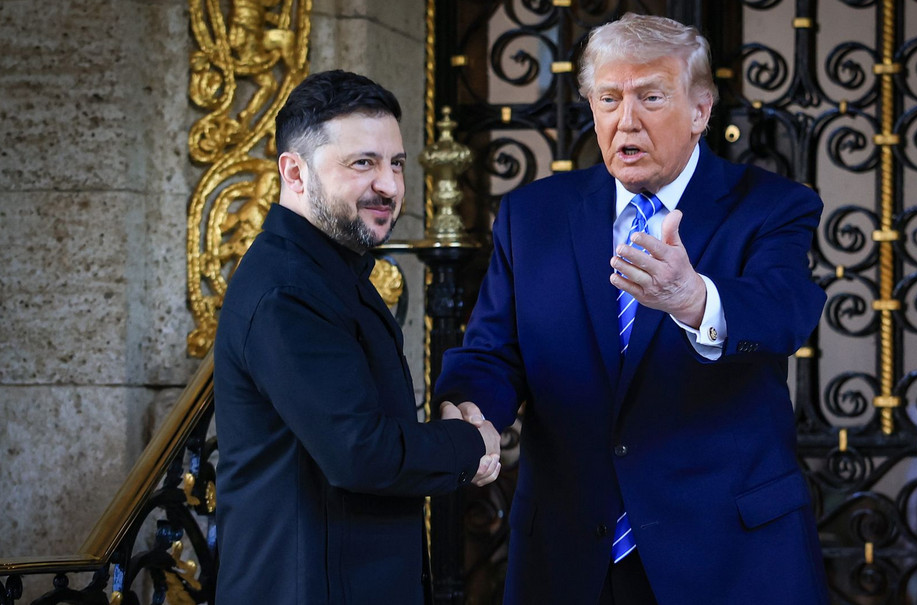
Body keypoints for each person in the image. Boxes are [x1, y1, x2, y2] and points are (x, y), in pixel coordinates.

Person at [435, 14, 830, 605]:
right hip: (569, 556)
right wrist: (473, 412)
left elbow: (785, 311)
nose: (626, 119)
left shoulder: (772, 205)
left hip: (727, 555)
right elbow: (494, 351)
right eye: (609, 98)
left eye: (651, 97)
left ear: (700, 110)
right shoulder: (532, 215)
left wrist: (692, 298)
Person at [214, 70, 501, 605]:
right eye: (363, 163)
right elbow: (361, 453)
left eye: (396, 163)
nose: (390, 185)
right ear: (294, 173)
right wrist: (472, 444)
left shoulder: (328, 270)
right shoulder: (287, 290)